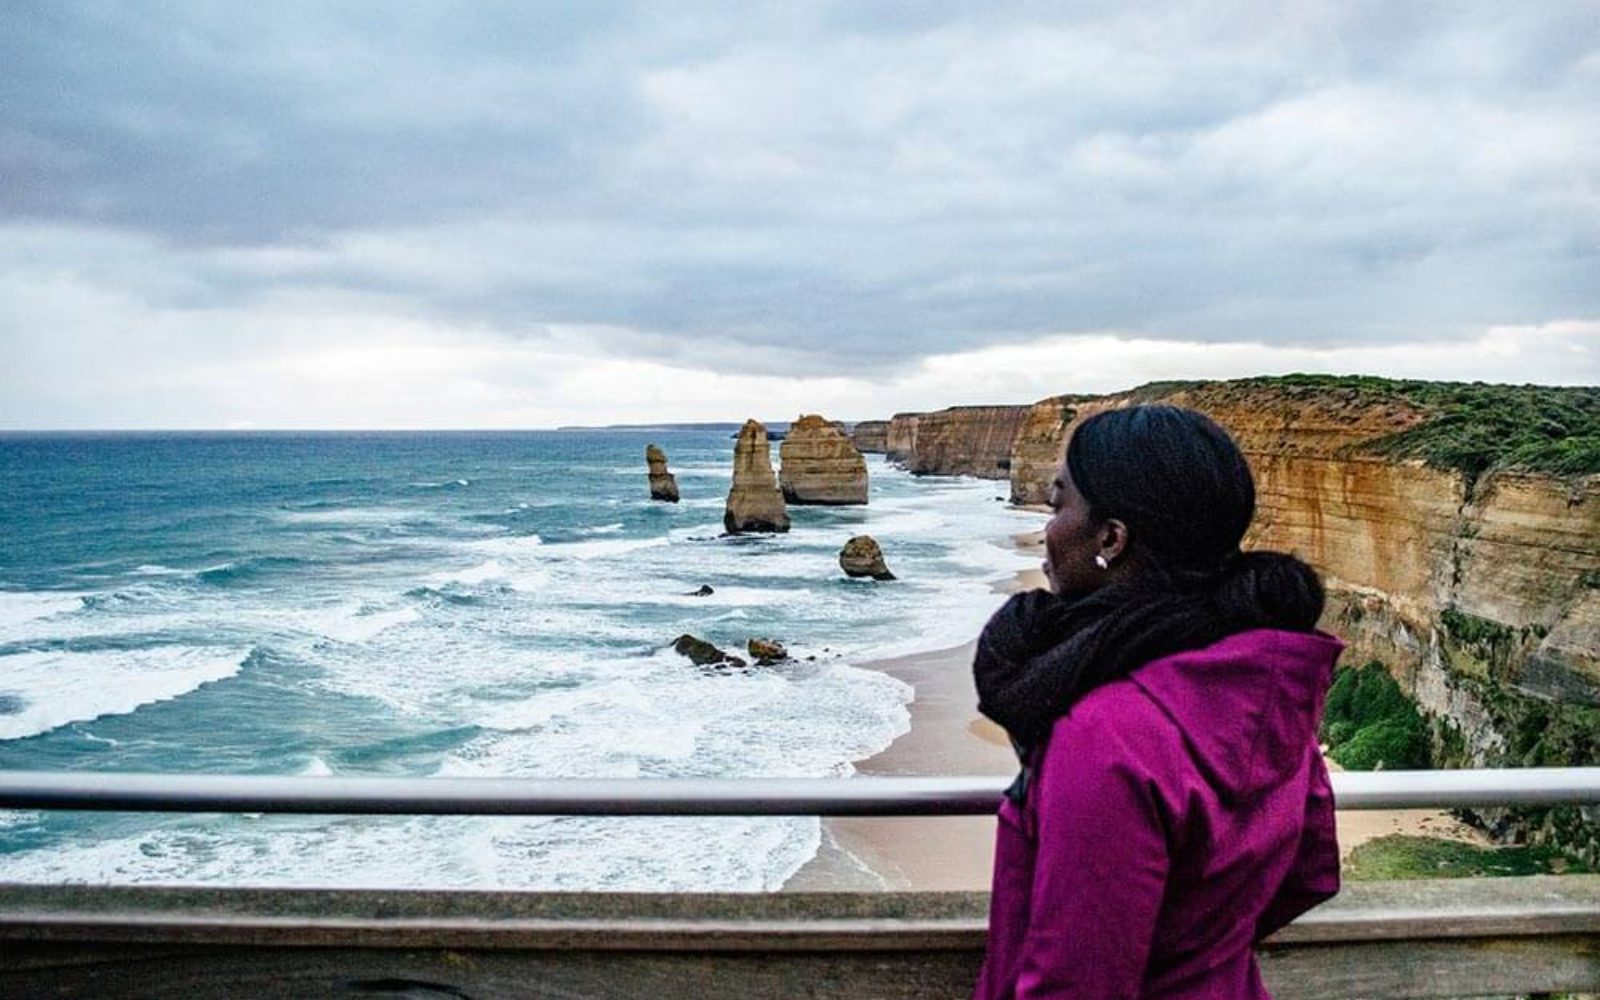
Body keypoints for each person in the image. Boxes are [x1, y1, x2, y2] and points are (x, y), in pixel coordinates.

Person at [972, 404, 1342, 1000]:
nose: (1047, 528)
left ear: (1111, 539)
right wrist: (1199, 954)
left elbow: (1076, 984)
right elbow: (1309, 873)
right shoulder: (1265, 689)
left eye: (1057, 503)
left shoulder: (1107, 735)